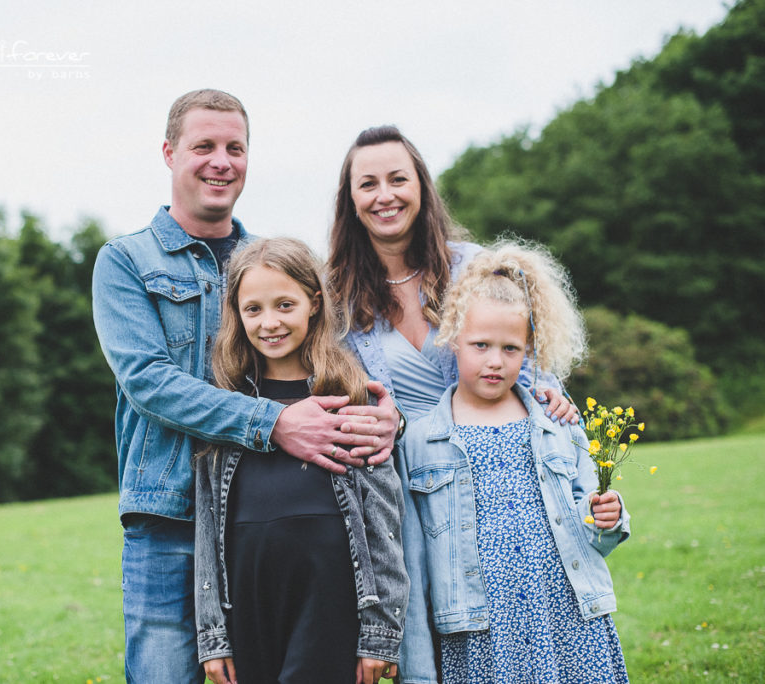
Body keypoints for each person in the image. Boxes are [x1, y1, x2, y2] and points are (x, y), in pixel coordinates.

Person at [92, 90, 400, 683]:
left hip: (268, 524)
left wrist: (388, 418)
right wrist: (275, 423)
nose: (221, 161)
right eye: (203, 146)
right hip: (169, 518)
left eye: (235, 147)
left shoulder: (273, 264)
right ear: (168, 152)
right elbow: (148, 381)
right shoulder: (126, 261)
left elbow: (340, 365)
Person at [398, 241, 631, 683]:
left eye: (510, 348)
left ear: (529, 349)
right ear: (452, 339)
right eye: (480, 345)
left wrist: (608, 517)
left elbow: (595, 528)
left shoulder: (557, 423)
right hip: (479, 634)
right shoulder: (420, 440)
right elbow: (413, 566)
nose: (494, 361)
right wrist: (418, 673)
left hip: (567, 618)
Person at [194, 238, 410, 684]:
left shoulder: (351, 397)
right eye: (253, 309)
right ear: (236, 313)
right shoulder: (225, 407)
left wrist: (379, 633)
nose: (269, 322)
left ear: (314, 304)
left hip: (330, 597)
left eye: (285, 305)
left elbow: (383, 524)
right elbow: (206, 526)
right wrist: (213, 634)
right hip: (249, 601)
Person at [328, 125, 577, 424]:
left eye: (398, 180)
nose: (385, 195)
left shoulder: (474, 268)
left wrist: (546, 390)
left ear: (421, 186)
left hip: (485, 448)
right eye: (368, 184)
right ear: (351, 200)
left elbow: (522, 354)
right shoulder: (335, 297)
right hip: (400, 464)